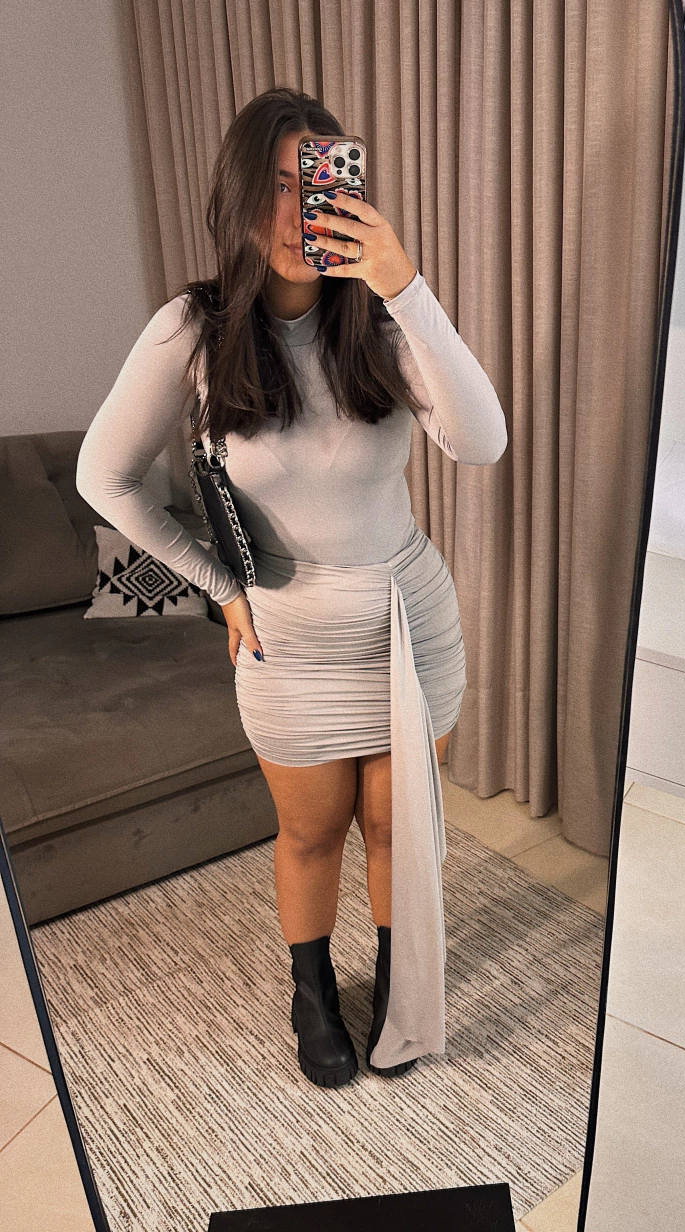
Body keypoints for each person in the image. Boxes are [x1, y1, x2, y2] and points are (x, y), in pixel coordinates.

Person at [75, 87, 507, 1089]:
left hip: (408, 620)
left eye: (317, 181)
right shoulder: (192, 329)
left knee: (400, 829)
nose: (298, 209)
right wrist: (218, 587)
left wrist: (406, 284)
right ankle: (311, 992)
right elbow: (107, 477)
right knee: (311, 834)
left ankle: (398, 978)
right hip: (290, 636)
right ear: (240, 193)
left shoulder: (382, 324)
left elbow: (482, 441)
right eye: (278, 183)